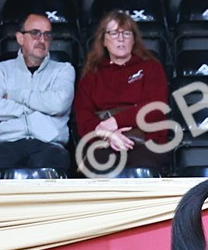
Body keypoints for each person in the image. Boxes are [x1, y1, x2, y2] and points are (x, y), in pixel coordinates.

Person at [73, 11, 170, 174]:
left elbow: (156, 107)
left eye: (126, 33)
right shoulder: (91, 76)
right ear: (103, 40)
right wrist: (108, 134)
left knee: (140, 170)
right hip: (103, 142)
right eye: (114, 33)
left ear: (134, 39)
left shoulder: (151, 67)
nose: (121, 38)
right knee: (94, 169)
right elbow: (84, 120)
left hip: (146, 141)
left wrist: (115, 122)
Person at [0, 12, 75, 178]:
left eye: (47, 34)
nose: (42, 39)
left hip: (49, 145)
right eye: (35, 33)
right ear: (20, 38)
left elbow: (58, 104)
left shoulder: (64, 70)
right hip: (7, 145)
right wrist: (37, 109)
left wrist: (17, 95)